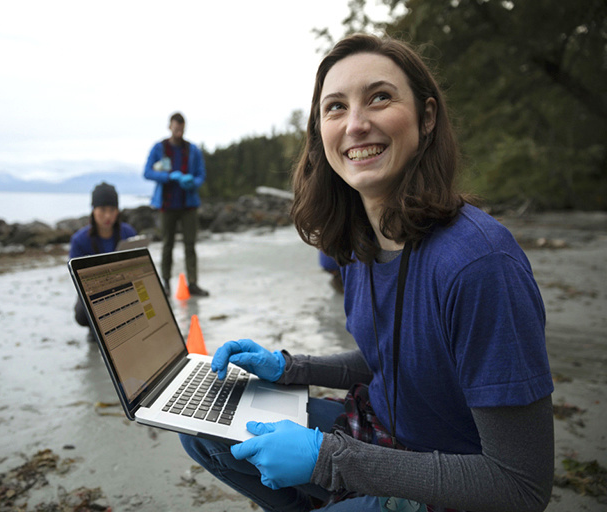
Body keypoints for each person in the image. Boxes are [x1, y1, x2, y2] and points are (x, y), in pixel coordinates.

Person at [179, 33, 554, 512]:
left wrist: (329, 459)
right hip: (377, 431)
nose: (356, 124)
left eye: (380, 97)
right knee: (205, 433)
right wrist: (290, 367)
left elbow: (521, 487)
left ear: (427, 116)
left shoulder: (479, 265)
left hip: (455, 482)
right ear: (321, 135)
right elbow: (394, 357)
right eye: (335, 107)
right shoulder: (360, 243)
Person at [143, 112, 209, 297]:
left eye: (181, 127)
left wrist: (192, 182)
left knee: (190, 244)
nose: (178, 130)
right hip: (167, 204)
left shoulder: (193, 150)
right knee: (167, 245)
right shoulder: (159, 148)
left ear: (184, 128)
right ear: (170, 126)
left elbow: (201, 175)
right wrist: (168, 176)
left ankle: (193, 284)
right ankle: (165, 284)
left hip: (188, 205)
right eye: (176, 126)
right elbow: (147, 172)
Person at [69, 182, 137, 329]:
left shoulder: (128, 233)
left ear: (118, 211)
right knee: (81, 314)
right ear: (93, 210)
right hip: (95, 292)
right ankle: (95, 329)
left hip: (124, 286)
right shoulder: (79, 240)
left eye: (112, 210)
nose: (108, 216)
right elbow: (77, 280)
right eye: (103, 210)